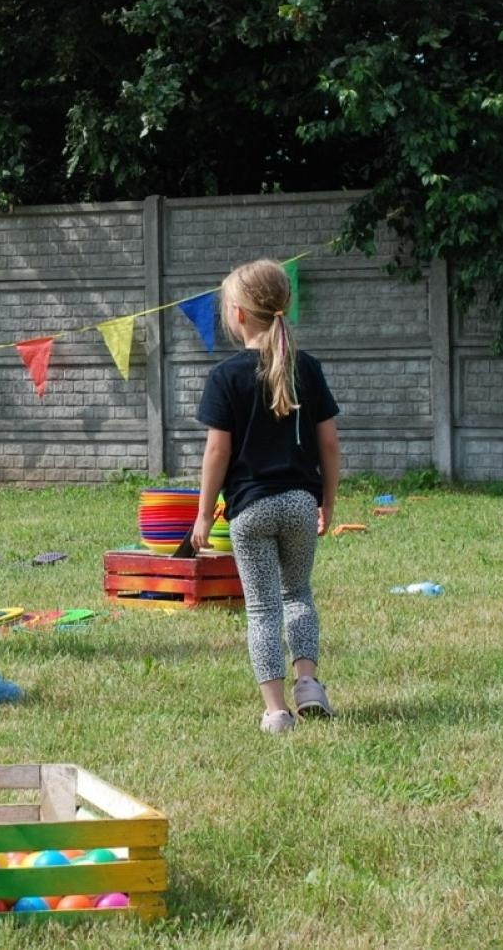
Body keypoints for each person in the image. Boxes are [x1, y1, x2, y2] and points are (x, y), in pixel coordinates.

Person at [191, 259, 341, 734]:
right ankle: (310, 684)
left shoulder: (226, 377)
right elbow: (330, 443)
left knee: (261, 608)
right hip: (300, 501)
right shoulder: (308, 369)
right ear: (285, 305)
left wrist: (201, 516)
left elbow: (218, 451)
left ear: (236, 315)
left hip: (250, 509)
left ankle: (277, 711)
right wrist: (328, 500)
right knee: (297, 594)